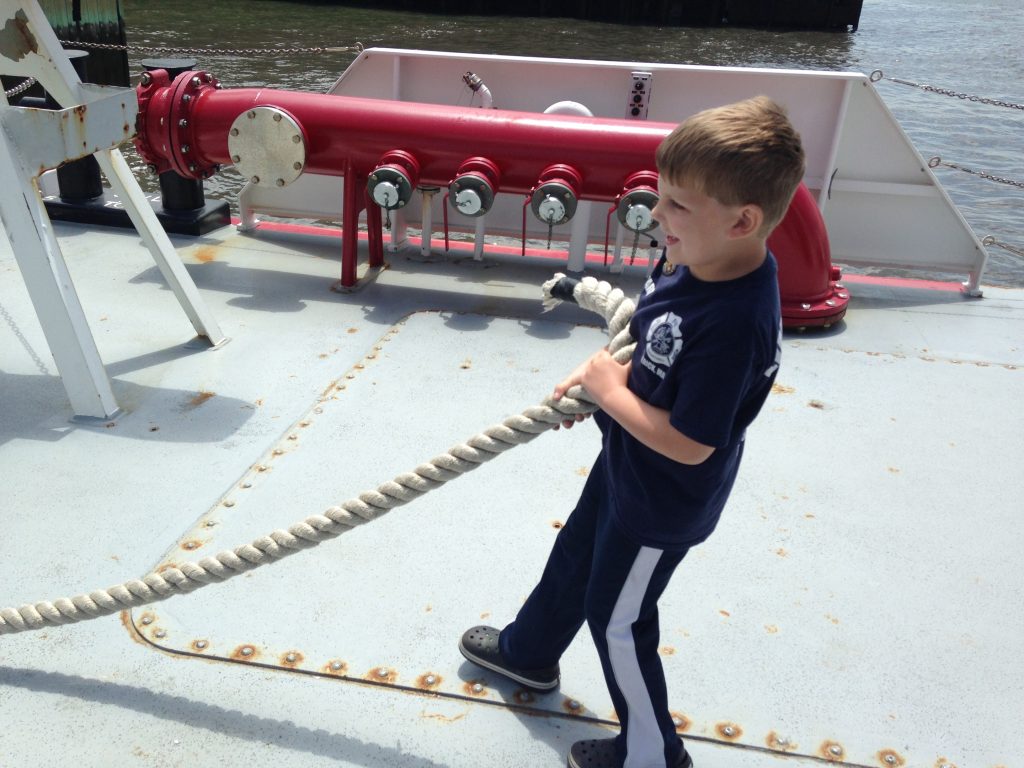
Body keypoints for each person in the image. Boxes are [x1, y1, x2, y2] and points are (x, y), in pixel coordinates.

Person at [459, 95, 804, 768]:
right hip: (627, 460)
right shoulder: (690, 258)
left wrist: (612, 394)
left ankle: (653, 753)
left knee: (617, 618)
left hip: (662, 499)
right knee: (575, 555)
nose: (657, 215)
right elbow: (649, 344)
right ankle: (529, 652)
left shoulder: (736, 323)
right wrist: (603, 388)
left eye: (677, 205)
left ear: (742, 221)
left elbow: (693, 443)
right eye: (660, 195)